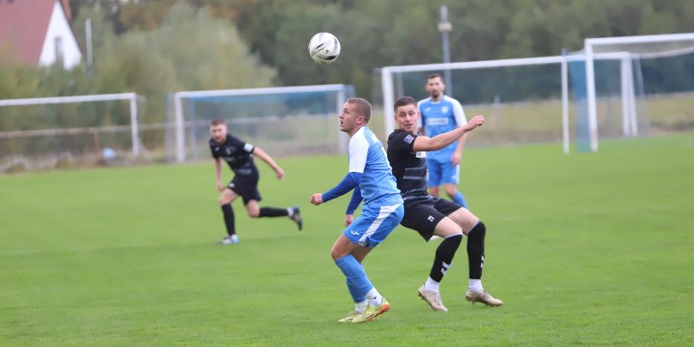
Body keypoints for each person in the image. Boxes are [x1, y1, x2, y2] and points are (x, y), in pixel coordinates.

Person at [388, 96, 503, 312]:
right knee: (454, 233)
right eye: (402, 115)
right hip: (407, 205)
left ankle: (475, 288)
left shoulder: (416, 136)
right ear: (396, 118)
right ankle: (430, 288)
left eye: (411, 113)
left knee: (477, 228)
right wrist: (466, 127)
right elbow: (434, 144)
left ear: (417, 115)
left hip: (425, 199)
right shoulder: (398, 139)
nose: (407, 118)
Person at [310, 98, 404, 323]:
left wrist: (324, 197)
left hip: (383, 207)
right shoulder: (364, 137)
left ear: (360, 119)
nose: (341, 116)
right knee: (351, 259)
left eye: (347, 112)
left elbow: (354, 178)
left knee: (338, 253)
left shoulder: (359, 139)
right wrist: (350, 210)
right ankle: (362, 308)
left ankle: (376, 300)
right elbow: (362, 181)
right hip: (386, 206)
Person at [209, 118, 302, 244]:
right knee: (254, 212)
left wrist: (277, 168)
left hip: (248, 174)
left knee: (224, 200)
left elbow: (258, 151)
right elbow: (217, 160)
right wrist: (218, 179)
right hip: (241, 175)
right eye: (214, 131)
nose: (217, 134)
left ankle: (232, 237)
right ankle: (291, 212)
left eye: (220, 130)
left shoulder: (236, 142)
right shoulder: (213, 144)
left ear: (226, 129)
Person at [418, 73, 471, 208]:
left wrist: (458, 152)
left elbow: (463, 129)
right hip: (431, 156)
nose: (434, 87)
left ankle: (468, 218)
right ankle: (440, 223)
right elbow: (420, 130)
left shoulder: (453, 104)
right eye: (431, 84)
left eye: (437, 83)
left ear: (443, 86)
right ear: (427, 87)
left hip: (449, 154)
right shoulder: (421, 106)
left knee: (450, 190)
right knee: (433, 192)